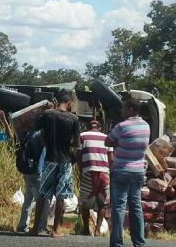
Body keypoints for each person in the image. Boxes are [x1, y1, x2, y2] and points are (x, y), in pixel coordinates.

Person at [30, 90, 80, 238]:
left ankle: (35, 228)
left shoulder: (48, 114)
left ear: (57, 101)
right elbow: (76, 143)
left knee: (43, 194)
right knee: (60, 196)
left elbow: (37, 130)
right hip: (65, 161)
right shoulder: (73, 119)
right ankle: (55, 230)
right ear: (69, 103)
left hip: (49, 159)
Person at [105, 98, 151, 247]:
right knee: (136, 206)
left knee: (118, 207)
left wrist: (119, 143)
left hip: (122, 170)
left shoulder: (122, 126)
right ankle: (139, 244)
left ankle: (117, 245)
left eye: (124, 108)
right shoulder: (146, 126)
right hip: (138, 170)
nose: (121, 111)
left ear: (131, 109)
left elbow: (108, 141)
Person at [77, 120, 114, 236]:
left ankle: (86, 229)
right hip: (104, 173)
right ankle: (97, 230)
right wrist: (109, 171)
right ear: (100, 128)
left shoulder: (82, 136)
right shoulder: (107, 138)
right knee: (102, 202)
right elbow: (111, 158)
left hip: (88, 171)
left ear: (88, 127)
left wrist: (81, 170)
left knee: (85, 201)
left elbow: (78, 155)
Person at [16, 129, 47, 233]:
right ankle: (40, 227)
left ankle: (22, 225)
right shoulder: (41, 134)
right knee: (42, 199)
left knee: (29, 198)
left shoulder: (29, 133)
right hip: (36, 171)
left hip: (28, 169)